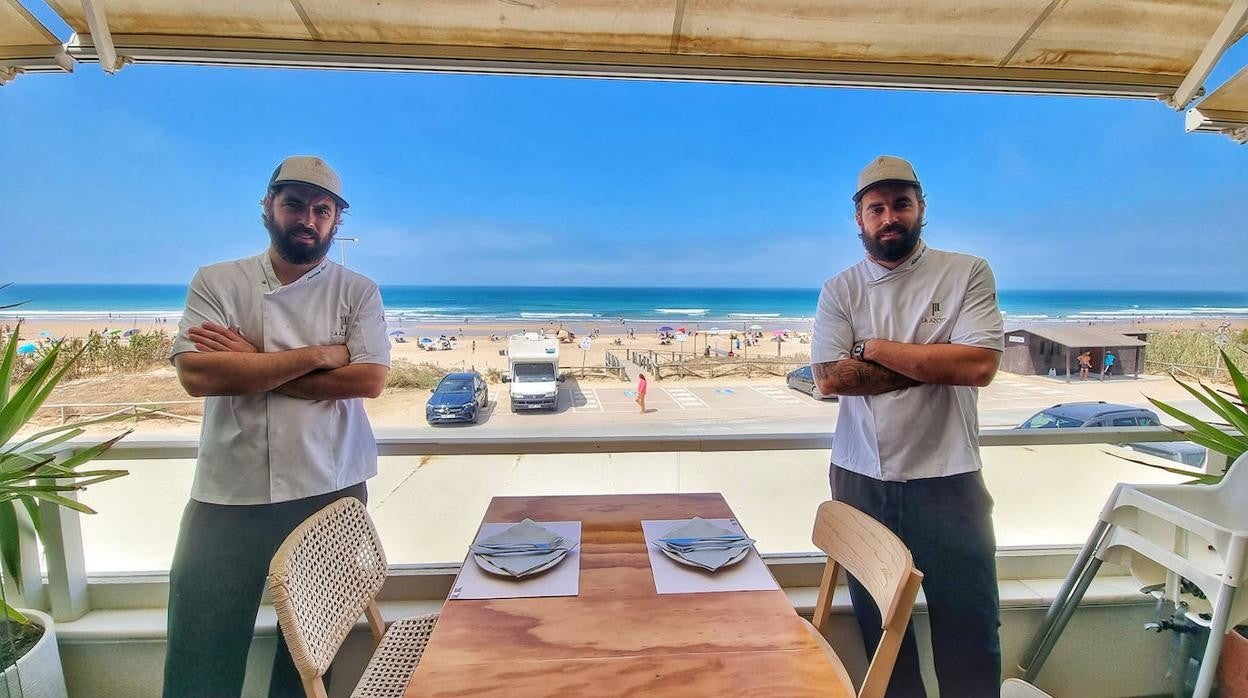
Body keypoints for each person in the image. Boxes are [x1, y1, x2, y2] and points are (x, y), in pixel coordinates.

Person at [163, 156, 390, 697]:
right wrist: (317, 354)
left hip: (329, 483)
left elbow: (368, 381)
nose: (306, 219)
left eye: (321, 209)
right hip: (229, 489)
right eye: (293, 204)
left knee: (312, 651)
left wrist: (252, 362)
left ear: (337, 221)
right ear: (268, 207)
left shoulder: (356, 290)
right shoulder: (218, 280)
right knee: (202, 638)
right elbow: (198, 374)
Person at [811, 155, 1004, 697]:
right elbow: (830, 378)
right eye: (877, 208)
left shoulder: (967, 271)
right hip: (860, 477)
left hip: (950, 477)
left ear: (921, 208)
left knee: (969, 627)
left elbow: (979, 367)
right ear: (859, 219)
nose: (889, 216)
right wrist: (938, 359)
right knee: (883, 633)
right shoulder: (840, 289)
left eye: (901, 204)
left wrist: (873, 349)